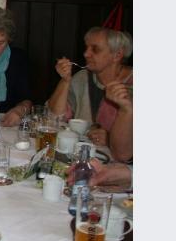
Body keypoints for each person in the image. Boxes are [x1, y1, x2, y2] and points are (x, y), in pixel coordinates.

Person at [48, 27, 133, 161]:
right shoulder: (82, 77)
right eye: (86, 48)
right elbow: (53, 118)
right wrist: (65, 80)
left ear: (117, 55)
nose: (86, 54)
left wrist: (110, 139)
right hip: (80, 159)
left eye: (95, 49)